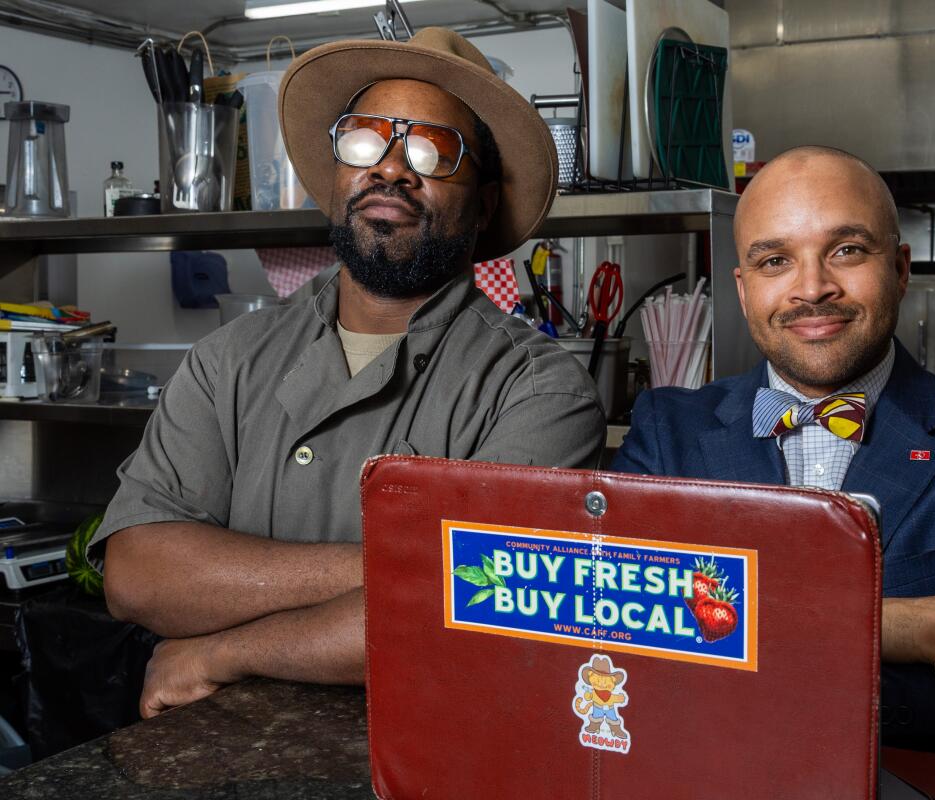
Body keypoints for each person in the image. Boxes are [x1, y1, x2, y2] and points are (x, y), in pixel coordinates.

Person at [91, 29, 606, 719]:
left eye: (431, 149)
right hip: (223, 760)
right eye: (364, 139)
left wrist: (222, 652)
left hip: (432, 761)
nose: (391, 168)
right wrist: (406, 568)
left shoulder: (539, 389)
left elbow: (482, 615)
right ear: (338, 176)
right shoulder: (229, 359)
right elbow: (137, 573)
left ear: (483, 205)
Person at [610, 146, 935, 761]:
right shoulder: (667, 430)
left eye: (847, 250)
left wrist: (725, 656)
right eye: (775, 260)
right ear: (744, 287)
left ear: (900, 268)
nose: (812, 288)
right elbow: (608, 643)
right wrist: (880, 626)